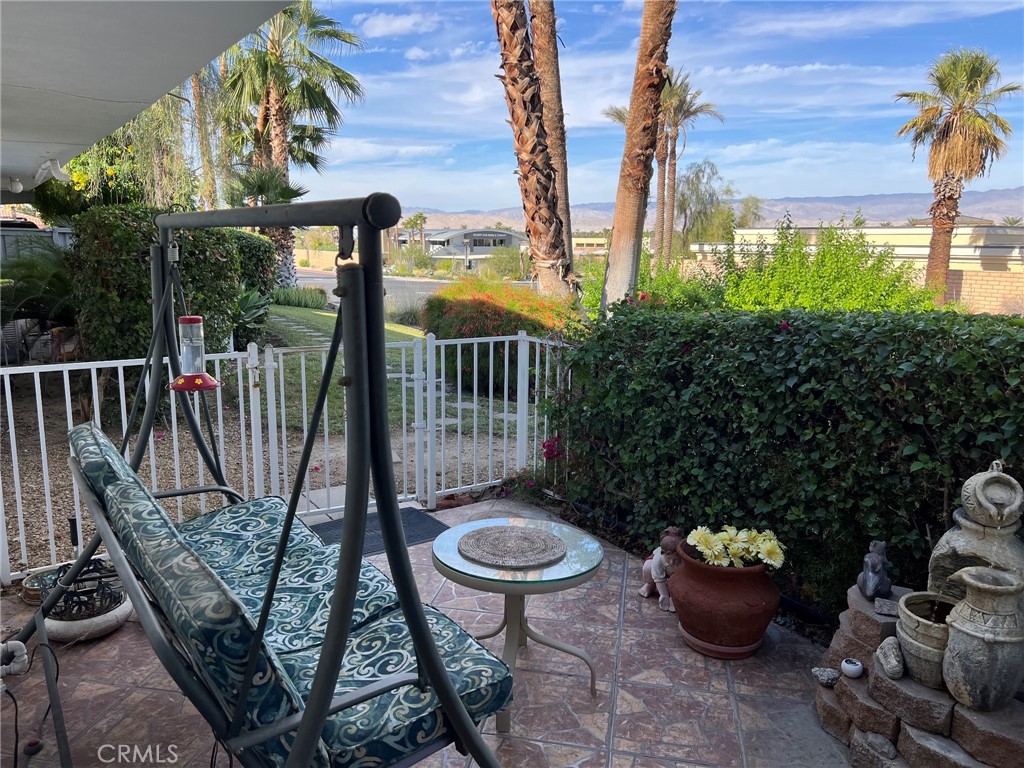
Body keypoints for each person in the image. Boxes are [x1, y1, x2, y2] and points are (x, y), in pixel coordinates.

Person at [639, 527, 684, 611]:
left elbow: (683, 580)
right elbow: (659, 578)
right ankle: (650, 584)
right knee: (648, 567)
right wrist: (664, 596)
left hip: (674, 576)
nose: (671, 562)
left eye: (675, 560)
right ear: (663, 553)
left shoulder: (684, 560)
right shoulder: (658, 559)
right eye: (669, 558)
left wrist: (673, 597)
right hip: (659, 572)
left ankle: (673, 596)